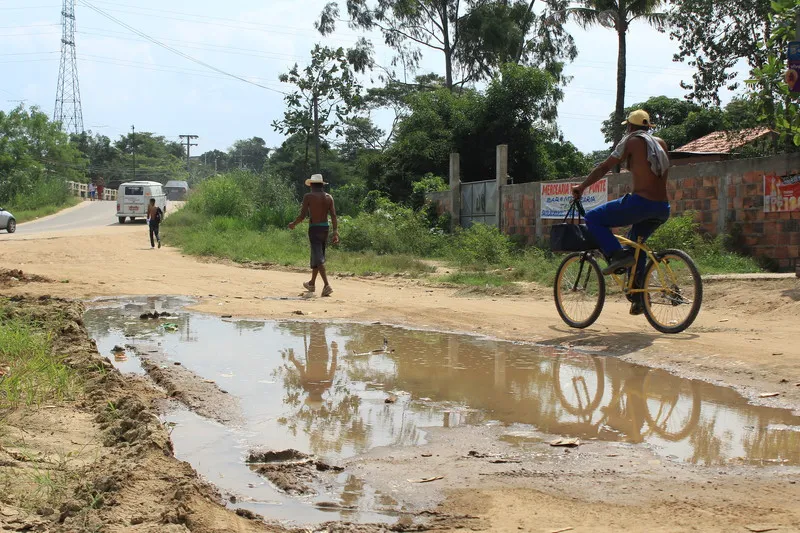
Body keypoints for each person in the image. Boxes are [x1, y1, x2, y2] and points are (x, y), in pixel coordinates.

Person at [572, 110, 671, 315]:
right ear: (648, 127)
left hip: (641, 203)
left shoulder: (632, 141)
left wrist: (582, 187)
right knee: (637, 245)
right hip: (662, 207)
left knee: (593, 218)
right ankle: (639, 297)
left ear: (630, 127)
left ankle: (617, 255)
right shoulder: (660, 143)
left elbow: (603, 167)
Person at [288, 174, 339, 297]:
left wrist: (293, 224)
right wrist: (335, 231)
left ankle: (327, 285)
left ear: (311, 185)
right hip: (325, 228)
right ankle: (312, 283)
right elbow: (333, 216)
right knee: (318, 254)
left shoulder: (308, 196)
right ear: (321, 185)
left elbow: (302, 215)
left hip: (314, 229)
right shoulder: (329, 197)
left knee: (319, 257)